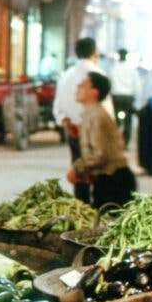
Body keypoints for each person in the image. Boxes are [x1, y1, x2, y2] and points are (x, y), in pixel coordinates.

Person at [66, 72, 136, 208]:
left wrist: (78, 168)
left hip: (114, 181)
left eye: (83, 85)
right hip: (106, 179)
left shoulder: (97, 117)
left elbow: (101, 155)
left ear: (94, 92)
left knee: (108, 224)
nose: (78, 87)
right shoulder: (91, 114)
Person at [53, 37, 113, 197]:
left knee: (79, 172)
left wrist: (68, 125)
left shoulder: (65, 76)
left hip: (74, 132)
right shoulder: (99, 75)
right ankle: (97, 210)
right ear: (95, 53)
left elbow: (58, 107)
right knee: (99, 174)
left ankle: (82, 210)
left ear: (76, 53)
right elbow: (107, 110)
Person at [110, 48, 140, 146]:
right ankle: (126, 143)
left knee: (115, 121)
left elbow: (110, 83)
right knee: (128, 121)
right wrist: (136, 97)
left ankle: (114, 141)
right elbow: (137, 85)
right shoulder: (131, 69)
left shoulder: (113, 69)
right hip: (128, 98)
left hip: (116, 97)